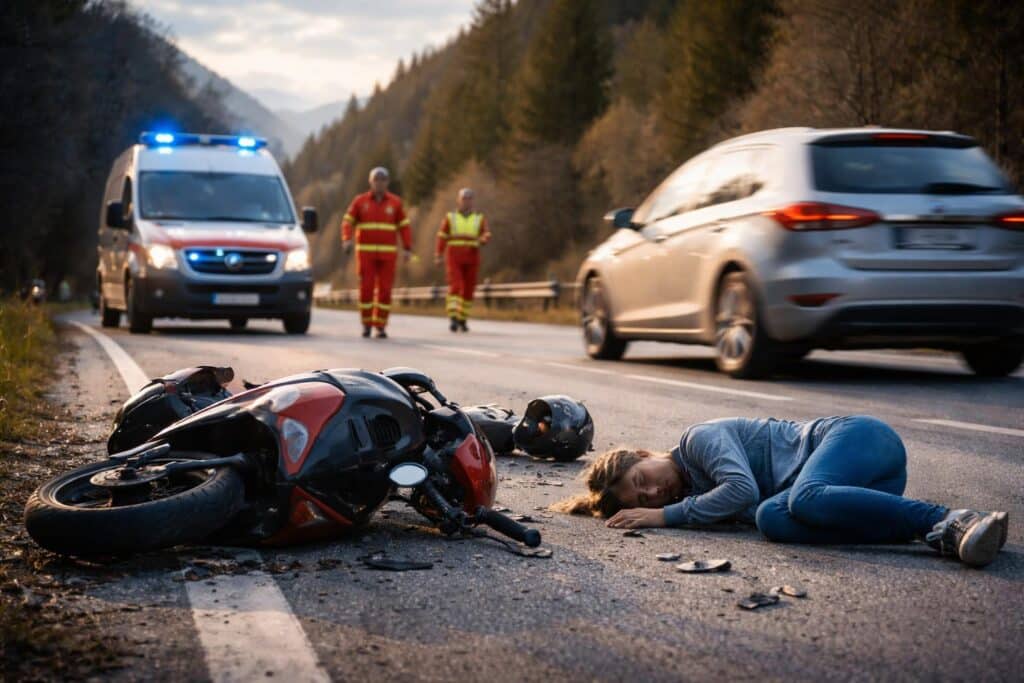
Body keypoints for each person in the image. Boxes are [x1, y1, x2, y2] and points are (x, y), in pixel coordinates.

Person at [554, 415, 1009, 567]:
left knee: (800, 499)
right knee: (772, 518)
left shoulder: (697, 442)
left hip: (859, 440)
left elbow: (740, 488)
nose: (654, 492)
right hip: (867, 494)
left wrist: (665, 517)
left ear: (643, 454)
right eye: (644, 501)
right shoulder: (699, 495)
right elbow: (753, 505)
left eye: (642, 480)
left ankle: (949, 518)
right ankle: (920, 530)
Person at [341, 167, 414, 338]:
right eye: (376, 180)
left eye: (383, 180)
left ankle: (380, 325)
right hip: (365, 254)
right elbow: (347, 221)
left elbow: (404, 227)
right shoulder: (360, 201)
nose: (379, 183)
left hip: (388, 255)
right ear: (370, 181)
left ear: (387, 182)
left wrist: (407, 248)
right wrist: (346, 239)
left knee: (385, 291)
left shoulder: (395, 203)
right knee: (366, 289)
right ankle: (366, 324)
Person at [435, 187, 490, 332]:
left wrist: (482, 240)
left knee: (468, 289)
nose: (467, 202)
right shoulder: (450, 217)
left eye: (469, 199)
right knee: (456, 285)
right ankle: (453, 317)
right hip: (454, 257)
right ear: (458, 201)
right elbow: (442, 236)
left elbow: (486, 233)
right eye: (464, 199)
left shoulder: (479, 218)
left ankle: (462, 319)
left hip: (472, 257)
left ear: (473, 201)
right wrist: (439, 255)